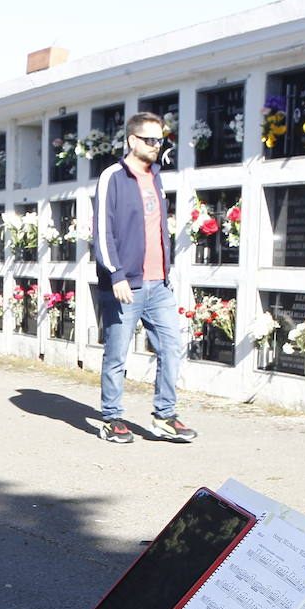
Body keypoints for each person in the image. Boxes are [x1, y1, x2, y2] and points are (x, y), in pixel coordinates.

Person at [93, 111, 198, 444]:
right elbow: (102, 230)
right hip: (126, 284)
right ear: (132, 140)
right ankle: (111, 418)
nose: (157, 146)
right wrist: (117, 275)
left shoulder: (156, 177)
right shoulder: (113, 176)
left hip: (158, 285)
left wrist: (166, 273)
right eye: (151, 140)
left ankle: (164, 416)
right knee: (117, 354)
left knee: (171, 347)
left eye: (160, 140)